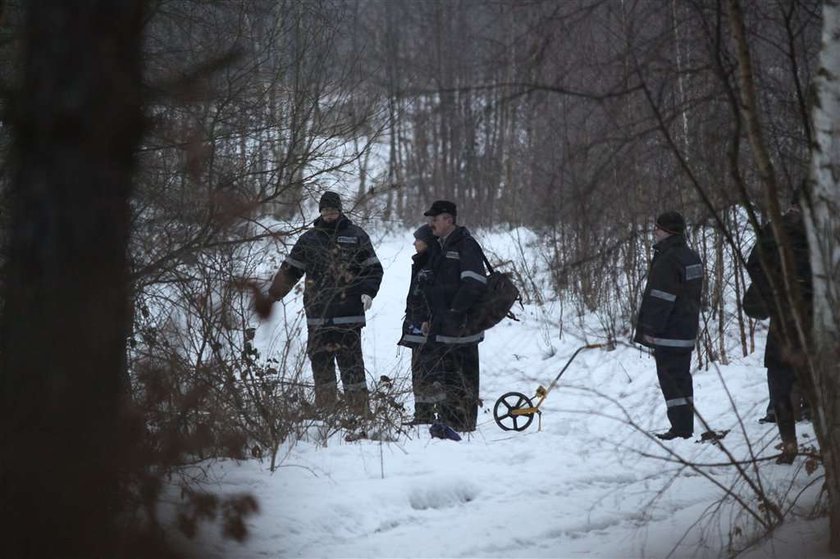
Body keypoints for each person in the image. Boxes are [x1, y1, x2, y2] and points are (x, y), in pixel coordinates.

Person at [263, 191, 383, 417]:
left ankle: (359, 412)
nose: (329, 215)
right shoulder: (309, 239)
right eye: (325, 211)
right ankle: (326, 411)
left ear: (340, 211)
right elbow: (291, 269)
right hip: (318, 316)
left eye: (333, 211)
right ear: (320, 212)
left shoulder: (356, 236)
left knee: (351, 365)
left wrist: (368, 292)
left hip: (349, 316)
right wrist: (273, 295)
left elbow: (373, 269)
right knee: (321, 364)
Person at [744, 195, 812, 464]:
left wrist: (774, 295)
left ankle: (789, 445)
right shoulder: (827, 228)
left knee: (780, 377)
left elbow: (755, 265)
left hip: (785, 318)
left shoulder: (777, 228)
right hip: (821, 317)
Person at [634, 211, 704, 441]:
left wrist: (648, 329)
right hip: (686, 330)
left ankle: (680, 428)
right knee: (682, 379)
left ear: (668, 231)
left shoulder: (668, 259)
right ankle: (684, 425)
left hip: (669, 332)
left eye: (657, 227)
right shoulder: (691, 257)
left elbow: (660, 299)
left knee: (672, 381)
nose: (654, 231)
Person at [419, 200, 487, 432]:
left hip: (463, 330)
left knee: (463, 381)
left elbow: (474, 283)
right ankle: (449, 425)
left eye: (434, 219)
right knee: (447, 381)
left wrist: (455, 312)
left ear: (448, 219)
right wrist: (432, 318)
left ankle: (464, 428)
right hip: (444, 330)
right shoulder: (441, 246)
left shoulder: (465, 245)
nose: (431, 224)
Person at [398, 224, 444, 425]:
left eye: (417, 239)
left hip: (425, 328)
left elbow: (431, 297)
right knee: (420, 371)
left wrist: (426, 320)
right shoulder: (423, 261)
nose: (414, 243)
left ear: (426, 242)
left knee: (428, 371)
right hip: (417, 326)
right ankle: (423, 413)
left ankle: (430, 414)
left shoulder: (432, 264)